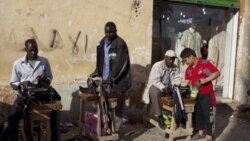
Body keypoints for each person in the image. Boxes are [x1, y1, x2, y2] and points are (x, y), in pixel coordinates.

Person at [9, 39, 60, 141]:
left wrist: (45, 80)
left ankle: (55, 139)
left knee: (56, 112)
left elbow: (50, 77)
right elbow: (12, 83)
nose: (34, 53)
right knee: (12, 116)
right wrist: (21, 84)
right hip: (23, 96)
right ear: (26, 50)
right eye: (31, 50)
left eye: (36, 50)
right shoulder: (18, 64)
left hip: (40, 95)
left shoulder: (44, 62)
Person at [90, 21, 132, 130]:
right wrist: (96, 71)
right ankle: (107, 128)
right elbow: (102, 62)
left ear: (115, 31)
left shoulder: (120, 44)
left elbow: (121, 65)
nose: (108, 35)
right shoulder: (102, 43)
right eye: (106, 32)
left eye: (111, 32)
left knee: (117, 109)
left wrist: (111, 79)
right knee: (104, 107)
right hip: (105, 81)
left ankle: (115, 132)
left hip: (117, 82)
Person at [180, 48, 220, 141]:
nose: (185, 62)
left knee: (208, 115)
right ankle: (201, 133)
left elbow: (217, 73)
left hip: (207, 94)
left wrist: (206, 80)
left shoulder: (204, 64)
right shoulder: (189, 69)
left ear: (191, 56)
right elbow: (186, 81)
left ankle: (210, 136)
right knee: (198, 115)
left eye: (186, 60)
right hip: (195, 94)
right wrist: (178, 86)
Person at [142, 50, 181, 130]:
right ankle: (160, 117)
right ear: (165, 58)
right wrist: (163, 88)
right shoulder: (157, 66)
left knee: (179, 93)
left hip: (169, 89)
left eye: (173, 59)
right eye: (170, 59)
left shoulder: (175, 67)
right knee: (154, 91)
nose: (171, 61)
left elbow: (177, 80)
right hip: (158, 87)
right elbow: (155, 81)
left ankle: (175, 119)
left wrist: (172, 86)